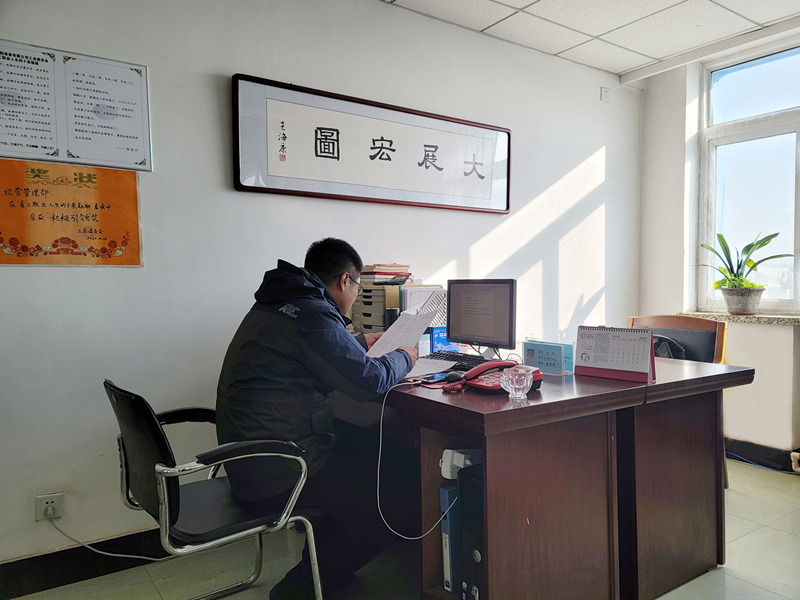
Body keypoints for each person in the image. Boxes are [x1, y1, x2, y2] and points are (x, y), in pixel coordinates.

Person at [215, 238, 418, 600]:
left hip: (253, 457)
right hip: (281, 467)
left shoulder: (282, 303)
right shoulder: (311, 314)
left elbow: (308, 350)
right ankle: (300, 588)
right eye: (358, 288)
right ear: (345, 280)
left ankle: (325, 570)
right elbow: (369, 381)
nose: (354, 296)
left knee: (383, 451)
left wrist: (358, 341)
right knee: (397, 504)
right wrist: (406, 355)